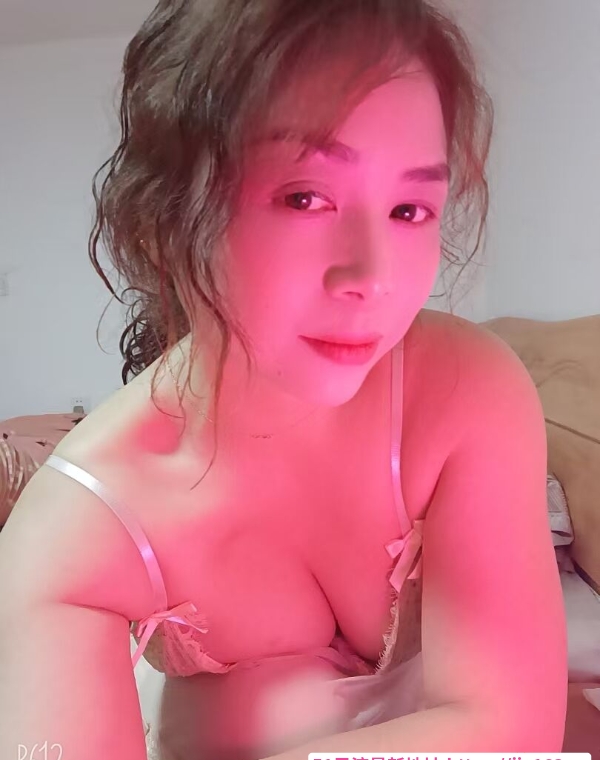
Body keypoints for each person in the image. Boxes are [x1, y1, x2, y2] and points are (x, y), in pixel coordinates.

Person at [0, 1, 568, 758]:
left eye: (409, 209)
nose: (373, 276)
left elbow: (512, 728)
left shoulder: (466, 389)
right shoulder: (72, 533)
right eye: (305, 197)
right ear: (165, 217)